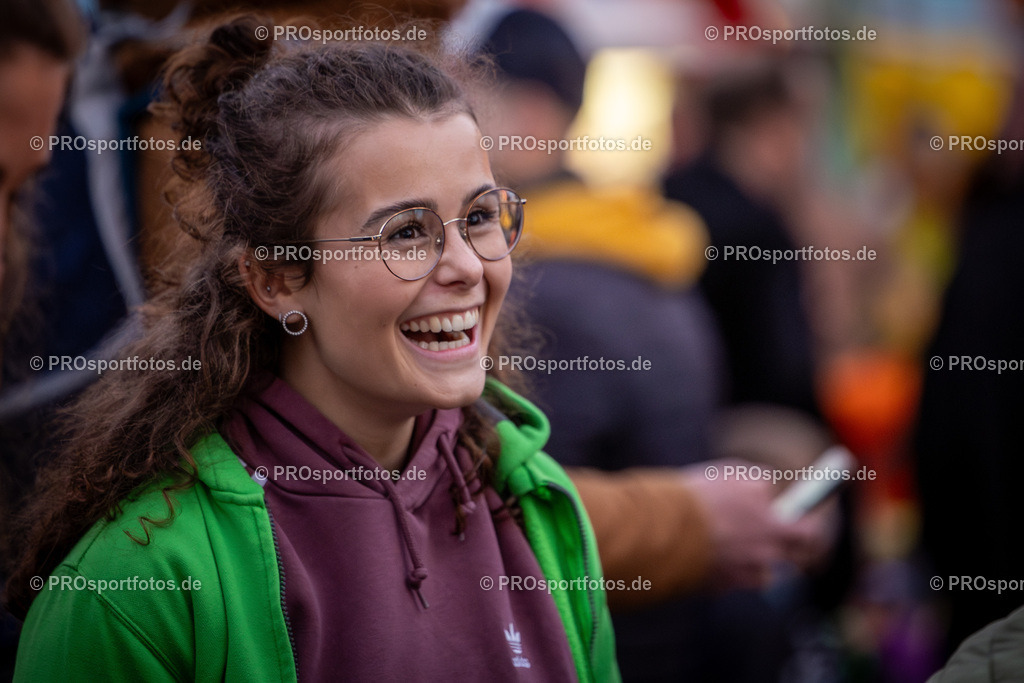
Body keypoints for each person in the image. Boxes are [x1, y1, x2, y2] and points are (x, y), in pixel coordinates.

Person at [5, 15, 618, 681]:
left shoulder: (538, 504)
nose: (468, 266)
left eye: (478, 217)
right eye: (405, 232)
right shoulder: (139, 583)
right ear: (275, 280)